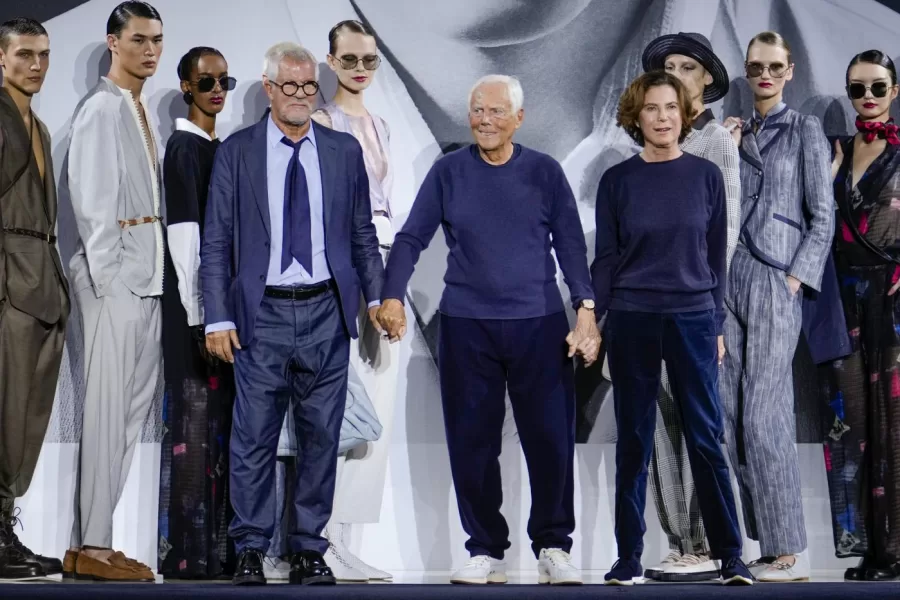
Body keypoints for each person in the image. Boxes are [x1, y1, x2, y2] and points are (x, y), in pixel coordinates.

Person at [377, 74, 599, 586]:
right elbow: (411, 238)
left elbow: (569, 245)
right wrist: (392, 294)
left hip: (540, 325)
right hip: (467, 325)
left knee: (550, 443)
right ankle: (485, 550)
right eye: (478, 111)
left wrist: (585, 308)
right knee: (472, 443)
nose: (485, 120)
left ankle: (552, 547)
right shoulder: (448, 171)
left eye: (497, 112)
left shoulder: (544, 172)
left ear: (519, 119)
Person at [199, 41, 384, 586]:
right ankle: (251, 549)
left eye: (310, 87)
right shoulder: (237, 151)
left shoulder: (342, 151)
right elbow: (217, 241)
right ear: (269, 89)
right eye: (291, 86)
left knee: (322, 437)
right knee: (252, 437)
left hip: (327, 309)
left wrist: (376, 298)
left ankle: (308, 549)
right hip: (263, 312)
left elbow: (361, 235)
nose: (302, 95)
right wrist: (217, 317)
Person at [593, 70, 752, 587]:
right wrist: (600, 318)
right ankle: (628, 558)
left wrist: (718, 320)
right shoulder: (617, 181)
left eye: (670, 108)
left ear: (684, 114)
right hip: (633, 320)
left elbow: (715, 259)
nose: (662, 118)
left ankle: (730, 556)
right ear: (635, 118)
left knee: (707, 438)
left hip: (694, 318)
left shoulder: (706, 175)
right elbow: (606, 260)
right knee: (635, 442)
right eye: (651, 109)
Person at [720, 31, 834, 583]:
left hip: (774, 278)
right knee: (731, 417)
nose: (764, 75)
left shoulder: (804, 129)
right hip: (727, 276)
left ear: (789, 72)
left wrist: (796, 277)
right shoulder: (733, 132)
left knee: (765, 415)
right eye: (756, 67)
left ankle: (787, 548)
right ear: (746, 73)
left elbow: (823, 214)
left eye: (774, 67)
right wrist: (724, 144)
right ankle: (761, 542)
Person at [62, 0, 164, 582]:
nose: (150, 50)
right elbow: (93, 203)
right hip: (115, 278)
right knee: (104, 416)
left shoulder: (136, 107)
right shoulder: (102, 108)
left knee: (127, 417)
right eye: (140, 40)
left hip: (146, 279)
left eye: (156, 40)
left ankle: (95, 540)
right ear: (113, 42)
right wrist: (106, 280)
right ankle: (91, 544)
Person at [637, 32, 740, 582]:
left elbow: (725, 234)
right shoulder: (644, 145)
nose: (676, 73)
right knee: (660, 429)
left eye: (687, 66)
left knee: (701, 427)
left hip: (696, 307)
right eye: (667, 66)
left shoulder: (718, 144)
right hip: (645, 309)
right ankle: (681, 543)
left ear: (707, 79)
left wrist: (714, 316)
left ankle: (708, 543)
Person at [307, 19, 398, 582]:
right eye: (350, 60)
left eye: (369, 60)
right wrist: (365, 288)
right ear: (331, 61)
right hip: (349, 275)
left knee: (375, 415)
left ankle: (344, 539)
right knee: (337, 413)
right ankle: (322, 537)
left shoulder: (381, 122)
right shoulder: (321, 121)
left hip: (385, 271)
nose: (361, 69)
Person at [157, 46, 236, 580]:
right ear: (186, 86)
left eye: (223, 80)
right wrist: (200, 315)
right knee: (192, 428)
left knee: (219, 431)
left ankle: (216, 552)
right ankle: (188, 555)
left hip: (216, 312)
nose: (215, 89)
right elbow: (185, 236)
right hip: (195, 314)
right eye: (205, 80)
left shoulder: (218, 147)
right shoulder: (184, 148)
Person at [823, 49, 900, 582]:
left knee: (894, 425)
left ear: (895, 90)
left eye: (877, 87)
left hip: (894, 299)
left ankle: (894, 550)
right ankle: (868, 547)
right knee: (848, 422)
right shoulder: (838, 151)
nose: (867, 97)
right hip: (843, 300)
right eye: (857, 89)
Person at [0, 17, 68, 581]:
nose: (36, 64)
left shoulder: (39, 126)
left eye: (43, 54)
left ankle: (5, 529)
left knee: (26, 413)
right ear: (2, 59)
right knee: (5, 408)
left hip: (41, 277)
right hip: (8, 279)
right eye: (25, 54)